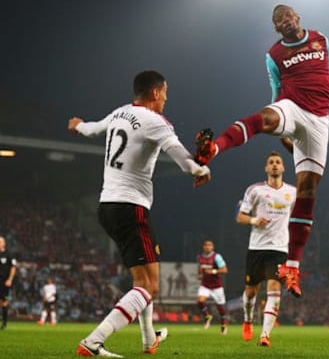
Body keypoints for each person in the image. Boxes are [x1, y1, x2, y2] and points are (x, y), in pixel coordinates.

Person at [68, 70, 212, 357]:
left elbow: (93, 128)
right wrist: (202, 169)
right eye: (166, 93)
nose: (166, 100)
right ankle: (93, 341)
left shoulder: (120, 113)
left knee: (144, 281)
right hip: (131, 208)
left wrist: (78, 125)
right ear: (156, 93)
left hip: (107, 206)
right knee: (151, 286)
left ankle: (149, 341)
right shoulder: (156, 122)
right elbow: (184, 160)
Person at [194, 4, 329, 298]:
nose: (286, 21)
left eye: (289, 16)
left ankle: (292, 267)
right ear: (276, 28)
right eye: (279, 20)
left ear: (298, 17)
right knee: (263, 118)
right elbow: (274, 90)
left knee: (307, 191)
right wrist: (284, 126)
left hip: (320, 120)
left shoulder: (322, 39)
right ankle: (213, 148)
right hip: (291, 106)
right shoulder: (274, 55)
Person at [237, 151, 296, 347]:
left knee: (274, 288)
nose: (274, 165)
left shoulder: (292, 193)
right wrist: (254, 220)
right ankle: (247, 319)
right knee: (251, 291)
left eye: (278, 162)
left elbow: (298, 218)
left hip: (279, 249)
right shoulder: (255, 190)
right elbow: (240, 217)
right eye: (271, 162)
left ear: (283, 167)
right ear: (266, 168)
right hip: (256, 247)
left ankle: (265, 335)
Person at [196, 240, 229, 335]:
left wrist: (213, 271)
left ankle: (223, 326)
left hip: (216, 286)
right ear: (203, 247)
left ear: (213, 247)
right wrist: (199, 275)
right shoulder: (200, 257)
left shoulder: (217, 257)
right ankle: (207, 316)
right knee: (200, 301)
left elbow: (225, 270)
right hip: (205, 285)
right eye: (205, 245)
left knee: (221, 308)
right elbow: (200, 268)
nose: (207, 247)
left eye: (209, 245)